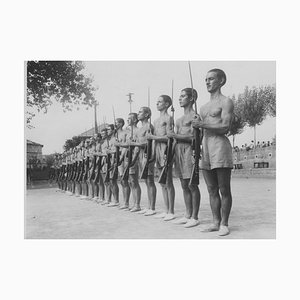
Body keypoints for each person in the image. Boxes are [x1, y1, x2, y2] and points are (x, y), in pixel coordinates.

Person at [192, 68, 234, 236]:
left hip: (220, 148)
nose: (207, 82)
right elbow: (200, 132)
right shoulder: (203, 108)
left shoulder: (226, 102)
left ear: (221, 80)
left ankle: (224, 223)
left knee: (224, 188)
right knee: (211, 189)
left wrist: (202, 125)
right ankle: (215, 222)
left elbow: (225, 127)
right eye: (206, 79)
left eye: (211, 79)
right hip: (206, 149)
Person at [168, 88, 201, 228]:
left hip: (189, 150)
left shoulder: (195, 117)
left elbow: (195, 138)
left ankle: (195, 217)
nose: (179, 99)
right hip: (178, 151)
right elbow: (174, 138)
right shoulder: (178, 119)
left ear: (192, 98)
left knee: (191, 184)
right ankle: (187, 214)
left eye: (183, 96)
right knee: (183, 184)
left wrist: (175, 136)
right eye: (179, 96)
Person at [147, 95, 175, 221]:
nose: (157, 104)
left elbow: (169, 137)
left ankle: (171, 211)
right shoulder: (155, 121)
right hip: (157, 151)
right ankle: (166, 209)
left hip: (165, 150)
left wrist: (153, 137)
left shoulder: (169, 118)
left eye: (160, 102)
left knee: (168, 181)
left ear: (167, 104)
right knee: (162, 182)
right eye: (156, 101)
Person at [133, 106, 157, 216]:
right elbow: (138, 145)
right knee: (146, 182)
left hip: (148, 155)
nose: (138, 114)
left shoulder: (149, 126)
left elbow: (149, 143)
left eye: (140, 112)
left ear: (147, 114)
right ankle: (148, 206)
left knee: (150, 181)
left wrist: (135, 144)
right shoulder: (138, 129)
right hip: (140, 157)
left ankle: (152, 207)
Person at [119, 113, 141, 212]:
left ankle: (137, 204)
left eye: (130, 118)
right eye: (127, 118)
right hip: (126, 158)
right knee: (125, 180)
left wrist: (134, 159)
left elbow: (137, 147)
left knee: (133, 181)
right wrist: (121, 158)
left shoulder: (138, 131)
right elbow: (125, 147)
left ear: (135, 120)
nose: (128, 120)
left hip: (133, 158)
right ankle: (126, 203)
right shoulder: (127, 133)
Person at [114, 118, 131, 209]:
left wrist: (121, 156)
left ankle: (126, 202)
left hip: (123, 156)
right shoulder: (116, 134)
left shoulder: (125, 132)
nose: (115, 124)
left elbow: (127, 144)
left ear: (121, 124)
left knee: (125, 179)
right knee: (121, 180)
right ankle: (124, 202)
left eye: (117, 123)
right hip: (118, 157)